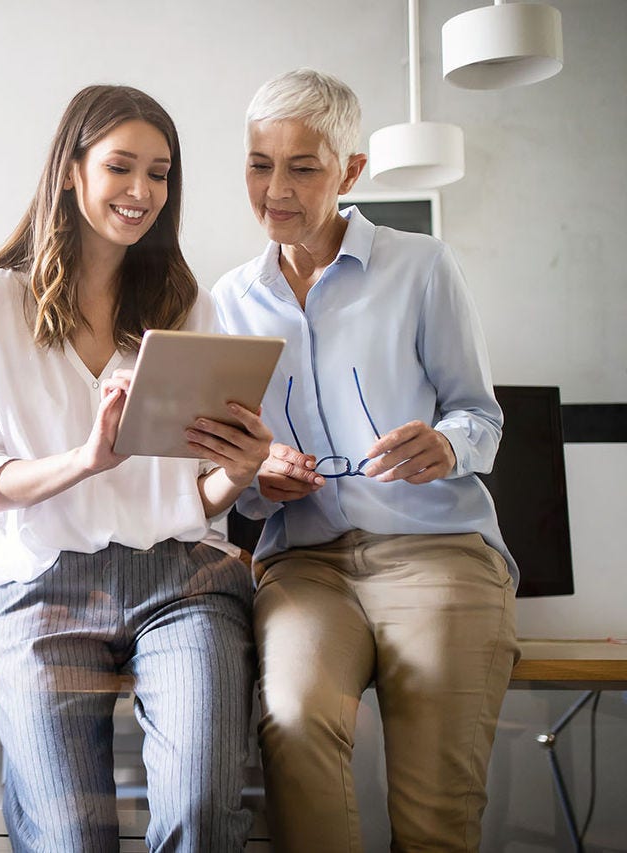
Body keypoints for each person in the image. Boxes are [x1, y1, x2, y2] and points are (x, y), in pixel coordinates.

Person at [0, 84, 272, 852]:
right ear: (70, 170)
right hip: (45, 586)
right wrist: (86, 461)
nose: (142, 192)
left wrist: (239, 471)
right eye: (121, 167)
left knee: (200, 808)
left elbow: (197, 494)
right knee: (65, 837)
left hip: (183, 579)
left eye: (159, 174)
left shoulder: (183, 303)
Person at [210, 68, 520, 852]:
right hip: (304, 565)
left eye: (302, 167)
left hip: (438, 551)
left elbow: (479, 415)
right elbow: (232, 482)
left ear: (351, 172)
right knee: (292, 723)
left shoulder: (422, 267)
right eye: (258, 163)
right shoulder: (227, 302)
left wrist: (446, 445)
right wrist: (261, 481)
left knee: (433, 814)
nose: (274, 189)